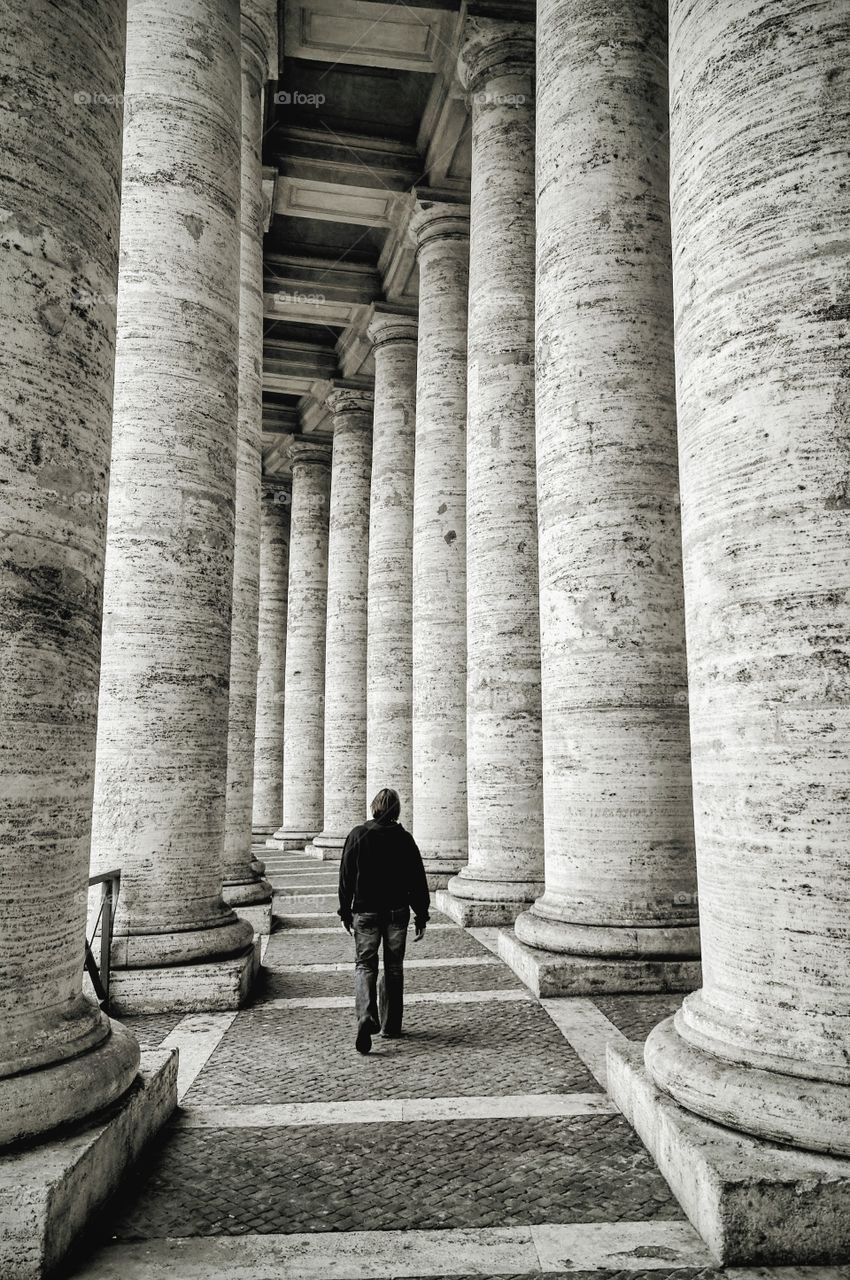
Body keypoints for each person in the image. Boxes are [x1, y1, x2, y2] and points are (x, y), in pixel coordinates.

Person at [337, 786, 430, 1055]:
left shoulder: (358, 834)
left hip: (364, 913)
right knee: (394, 967)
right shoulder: (405, 839)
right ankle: (390, 1024)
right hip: (396, 912)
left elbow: (345, 877)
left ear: (373, 807)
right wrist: (421, 914)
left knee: (365, 966)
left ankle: (366, 1016)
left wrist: (345, 911)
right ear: (397, 810)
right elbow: (417, 880)